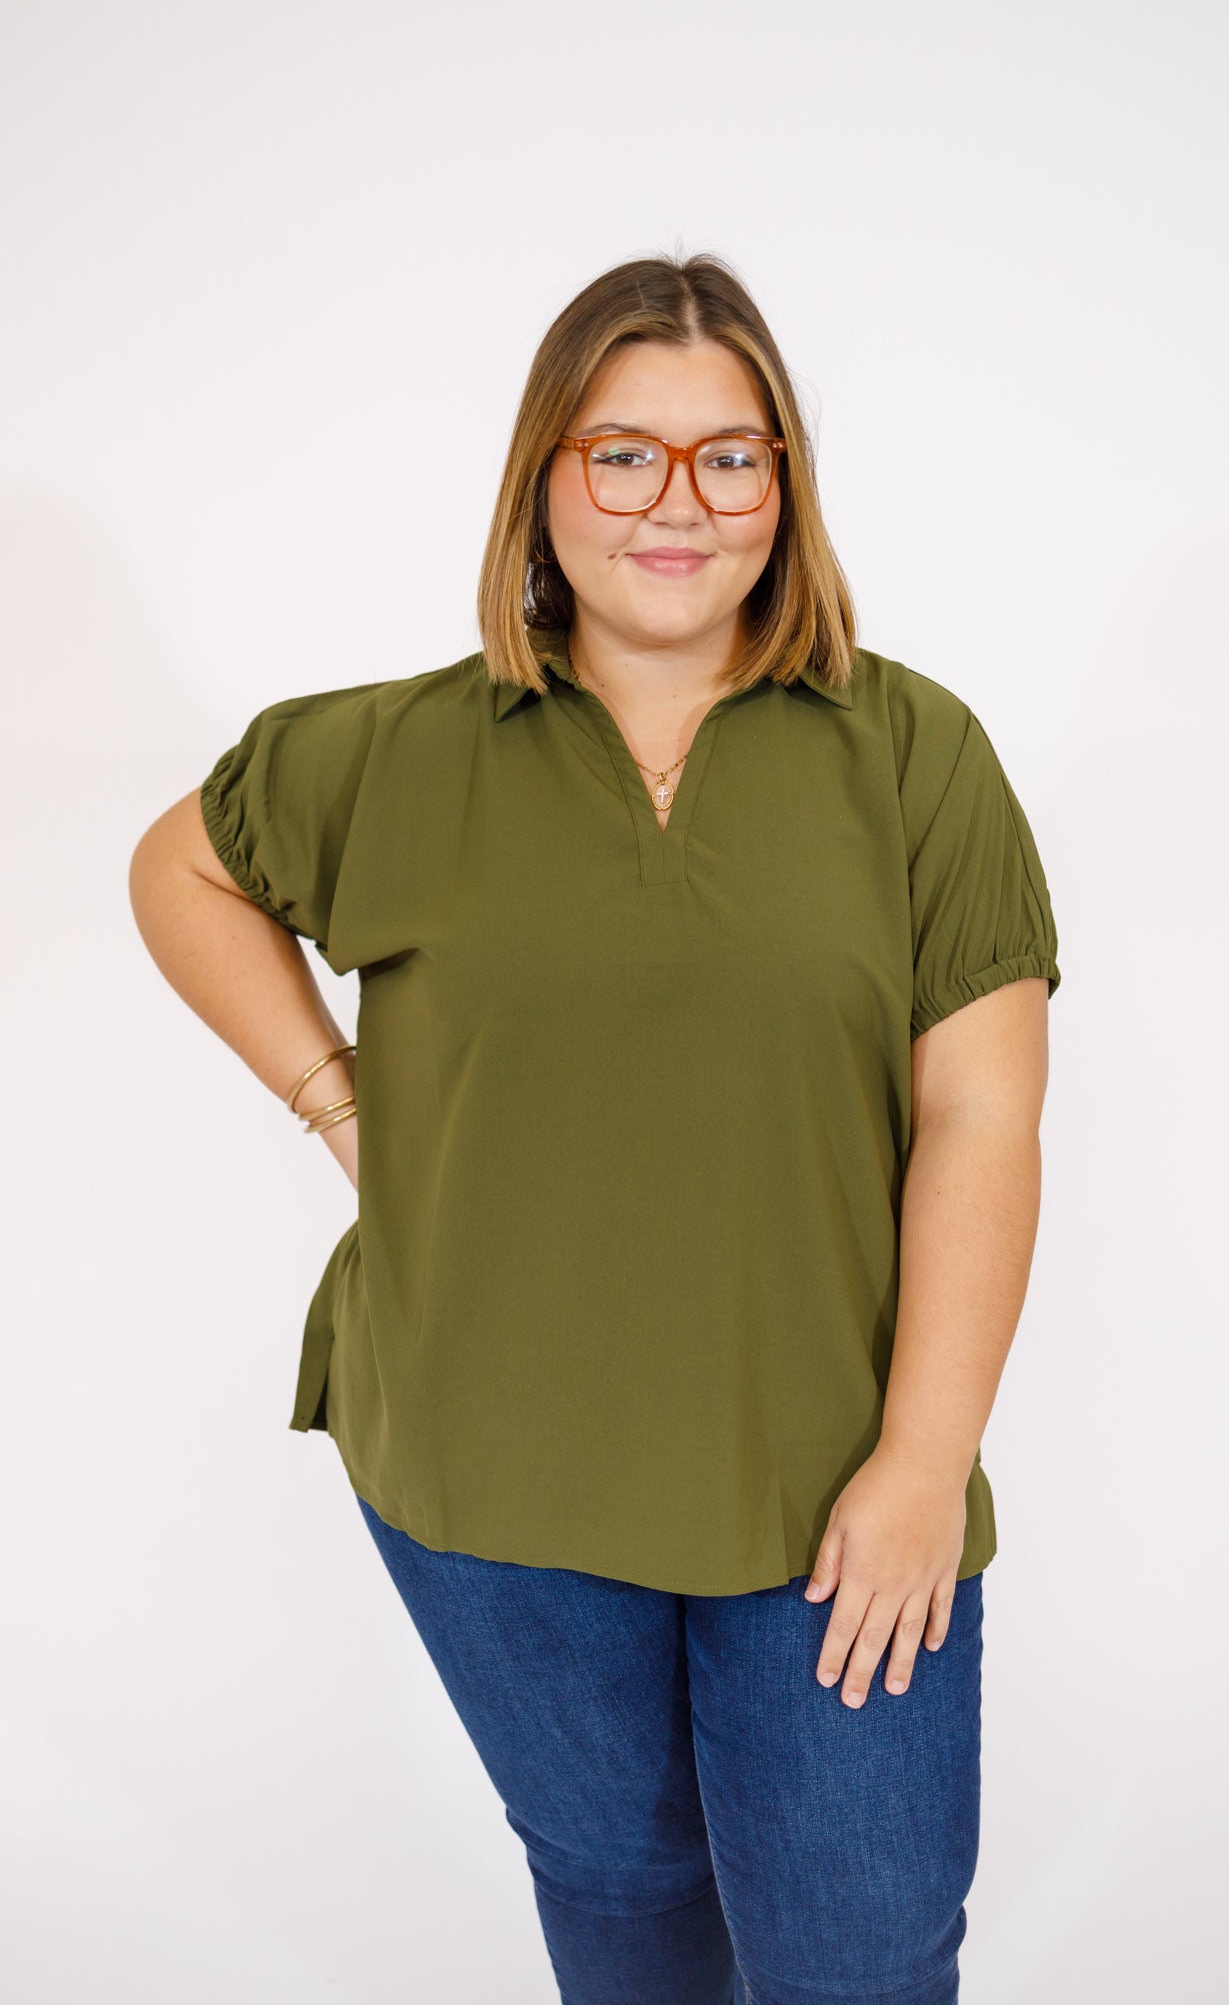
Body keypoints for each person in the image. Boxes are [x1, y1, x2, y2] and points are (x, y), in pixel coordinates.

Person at [129, 250, 1061, 2005]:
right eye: (622, 452)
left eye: (731, 454)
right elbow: (180, 867)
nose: (677, 501)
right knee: (623, 1893)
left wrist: (923, 1460)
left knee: (859, 1956)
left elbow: (981, 1118)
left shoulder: (911, 755)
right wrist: (342, 1111)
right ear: (542, 479)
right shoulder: (400, 750)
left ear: (784, 485)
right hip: (488, 1471)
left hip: (828, 1476)